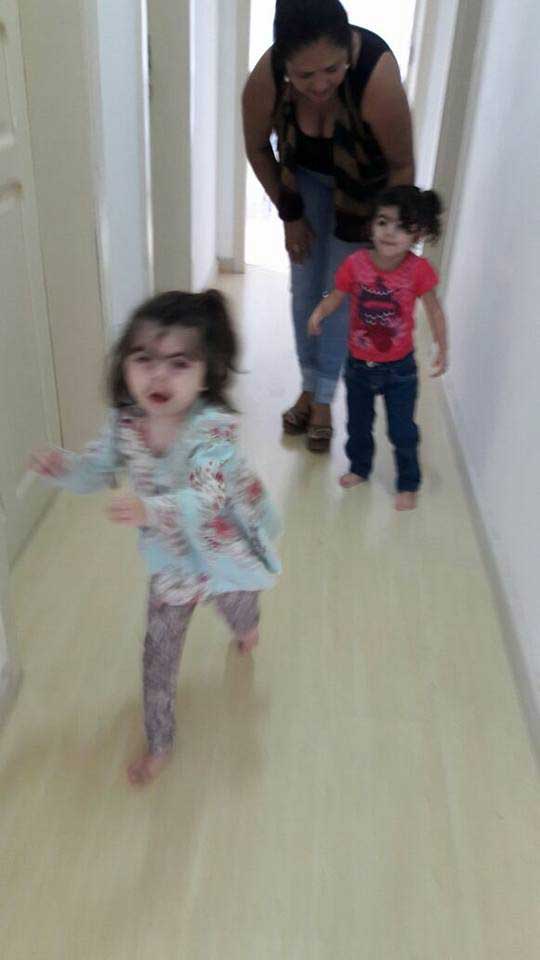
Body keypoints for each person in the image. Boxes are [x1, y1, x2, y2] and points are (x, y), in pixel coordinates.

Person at [29, 290, 281, 785]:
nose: (158, 376)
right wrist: (64, 469)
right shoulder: (125, 424)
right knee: (158, 659)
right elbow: (97, 470)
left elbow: (207, 499)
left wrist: (149, 510)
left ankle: (247, 628)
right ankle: (160, 742)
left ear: (206, 373)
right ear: (124, 364)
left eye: (179, 363)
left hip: (223, 553)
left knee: (239, 606)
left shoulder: (214, 432)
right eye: (143, 359)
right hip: (171, 568)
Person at [243, 0, 414, 452]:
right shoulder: (265, 79)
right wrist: (290, 215)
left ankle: (322, 399)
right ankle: (307, 384)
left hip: (364, 194)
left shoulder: (376, 77)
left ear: (348, 51)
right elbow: (258, 147)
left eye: (332, 70)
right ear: (284, 63)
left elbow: (401, 165)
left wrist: (388, 242)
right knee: (304, 287)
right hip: (304, 180)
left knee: (341, 294)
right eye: (304, 75)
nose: (319, 85)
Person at [308, 185, 448, 511]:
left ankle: (408, 482)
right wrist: (320, 311)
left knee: (402, 431)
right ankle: (360, 467)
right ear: (372, 224)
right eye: (383, 221)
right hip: (358, 366)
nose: (389, 232)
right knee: (358, 425)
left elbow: (434, 309)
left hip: (400, 370)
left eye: (401, 226)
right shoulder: (356, 264)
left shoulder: (418, 270)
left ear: (418, 233)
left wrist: (442, 346)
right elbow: (336, 295)